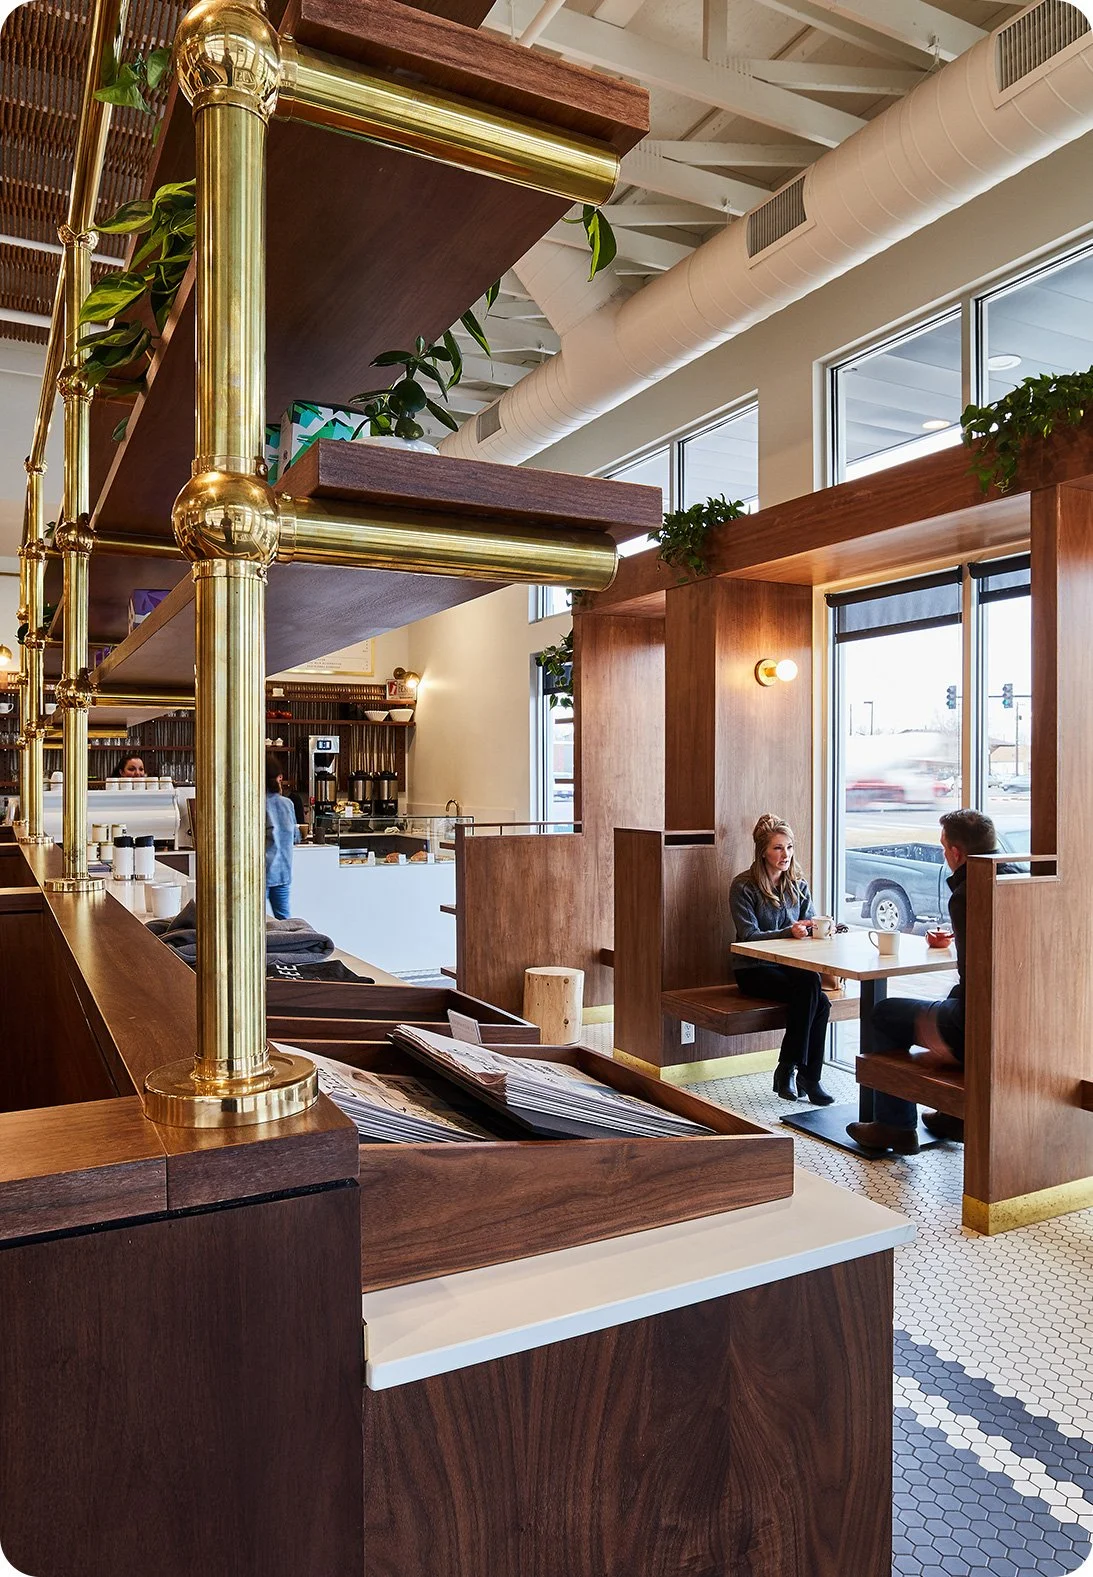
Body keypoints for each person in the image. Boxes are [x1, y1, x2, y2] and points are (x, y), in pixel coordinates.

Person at [847, 807, 1011, 1156]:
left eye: (943, 847)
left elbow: (976, 978)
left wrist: (936, 1025)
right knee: (947, 999)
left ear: (956, 852)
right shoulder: (1019, 878)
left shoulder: (968, 893)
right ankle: (953, 1118)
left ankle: (896, 1126)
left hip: (978, 1026)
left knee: (883, 1013)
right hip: (1012, 1024)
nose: (943, 854)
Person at [730, 813, 834, 1106]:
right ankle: (797, 1072)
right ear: (763, 851)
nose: (785, 854)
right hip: (753, 969)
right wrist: (789, 931)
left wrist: (817, 929)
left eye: (789, 847)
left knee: (819, 998)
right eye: (777, 848)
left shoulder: (798, 884)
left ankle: (801, 1074)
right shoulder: (743, 886)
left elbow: (808, 923)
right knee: (813, 992)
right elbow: (748, 936)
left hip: (790, 968)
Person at [265, 754, 300, 920]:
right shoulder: (287, 803)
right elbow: (296, 837)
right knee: (285, 921)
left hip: (261, 872)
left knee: (252, 920)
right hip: (283, 871)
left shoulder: (255, 804)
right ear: (279, 778)